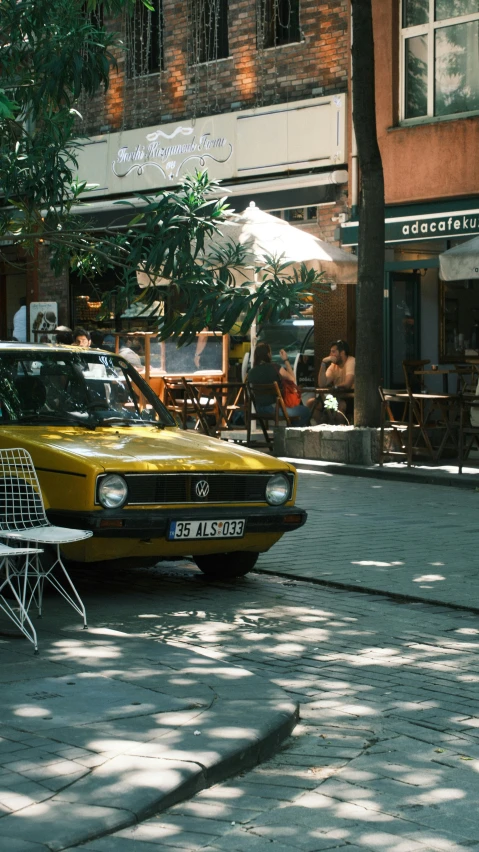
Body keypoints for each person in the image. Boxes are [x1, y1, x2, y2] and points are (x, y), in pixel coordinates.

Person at [247, 342, 309, 426]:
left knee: (297, 412)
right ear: (268, 354)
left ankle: (291, 433)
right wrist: (286, 360)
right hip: (274, 409)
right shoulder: (275, 367)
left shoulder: (251, 372)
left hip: (258, 409)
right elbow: (292, 379)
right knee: (305, 411)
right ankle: (292, 434)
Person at [310, 339, 355, 418]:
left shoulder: (351, 361)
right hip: (336, 397)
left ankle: (340, 429)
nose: (330, 355)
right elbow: (322, 383)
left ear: (342, 353)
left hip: (350, 397)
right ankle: (323, 426)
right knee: (311, 403)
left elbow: (347, 384)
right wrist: (323, 363)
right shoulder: (333, 365)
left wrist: (335, 387)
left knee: (340, 405)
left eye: (333, 352)